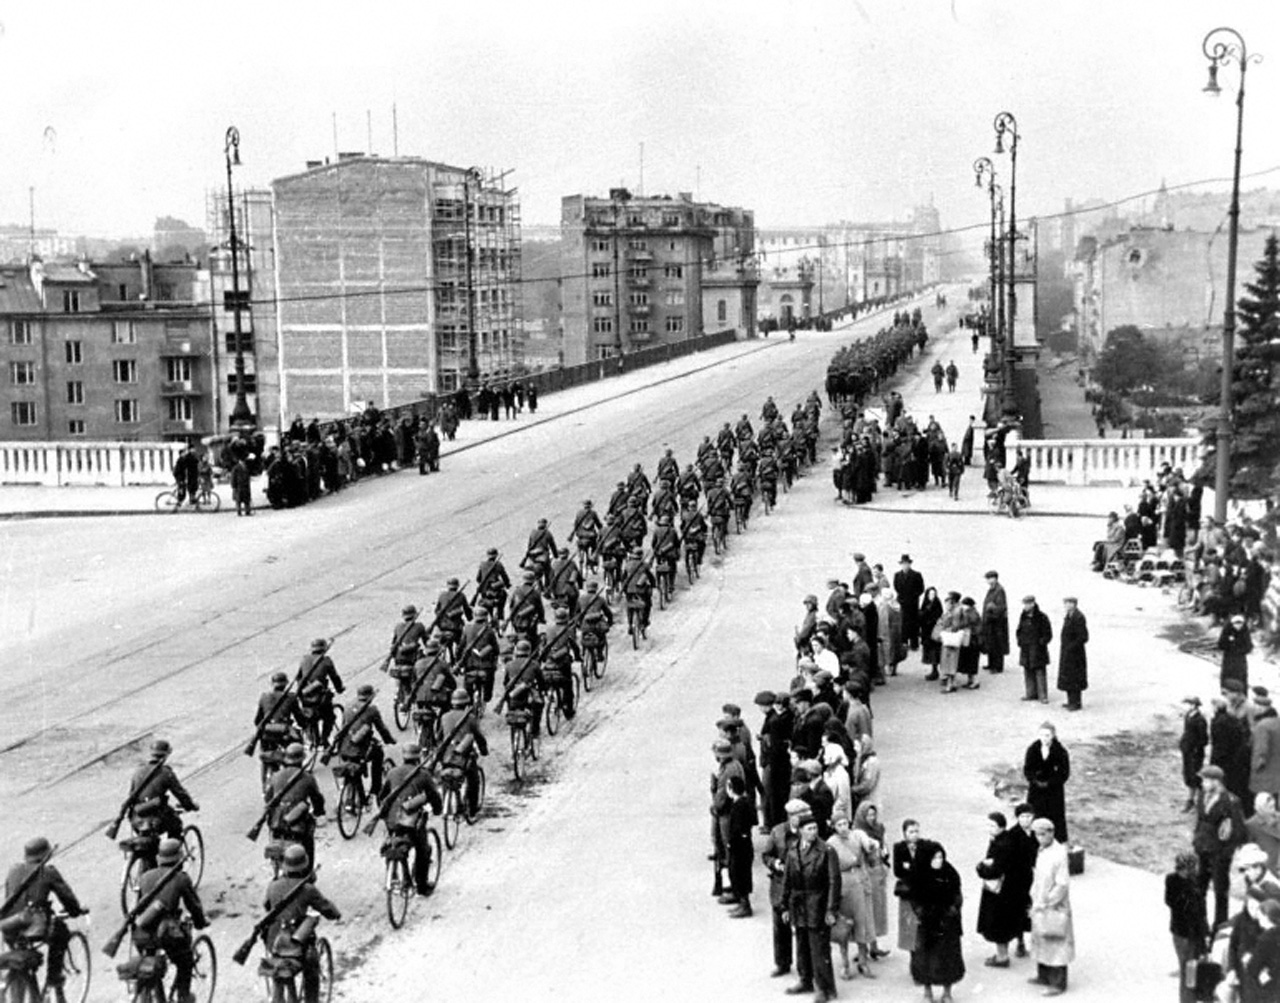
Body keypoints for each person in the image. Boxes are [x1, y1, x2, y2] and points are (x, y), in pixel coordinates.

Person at [1, 837, 84, 1002]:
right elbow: (68, 898)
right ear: (45, 854)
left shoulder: (13, 870)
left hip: (9, 925)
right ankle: (54, 979)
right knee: (60, 932)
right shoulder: (48, 872)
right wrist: (75, 911)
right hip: (34, 927)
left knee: (18, 953)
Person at [131, 836, 208, 1003]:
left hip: (142, 932)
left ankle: (156, 994)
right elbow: (194, 906)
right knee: (185, 962)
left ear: (159, 858)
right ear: (179, 858)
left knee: (149, 960)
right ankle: (183, 996)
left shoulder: (145, 877)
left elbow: (139, 906)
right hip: (167, 933)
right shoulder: (181, 878)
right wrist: (200, 922)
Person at [262, 845, 341, 1003]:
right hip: (296, 945)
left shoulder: (273, 885)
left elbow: (267, 906)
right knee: (311, 965)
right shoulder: (307, 889)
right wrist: (335, 915)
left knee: (275, 963)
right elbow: (327, 908)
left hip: (274, 942)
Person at [781, 812, 841, 1003]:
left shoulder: (826, 851)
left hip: (818, 904)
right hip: (799, 905)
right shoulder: (792, 850)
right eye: (809, 829)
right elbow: (787, 881)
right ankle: (805, 979)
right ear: (800, 831)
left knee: (819, 948)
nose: (813, 832)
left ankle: (824, 987)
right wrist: (784, 906)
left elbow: (834, 881)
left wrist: (831, 910)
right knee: (801, 944)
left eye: (815, 828)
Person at [378, 742, 443, 896]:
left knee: (392, 841)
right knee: (423, 849)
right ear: (418, 757)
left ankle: (393, 875)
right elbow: (434, 795)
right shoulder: (423, 775)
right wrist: (438, 810)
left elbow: (382, 796)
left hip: (392, 819)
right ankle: (422, 886)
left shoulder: (392, 773)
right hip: (410, 821)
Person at [910, 844, 965, 1003]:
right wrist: (923, 913)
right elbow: (914, 900)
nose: (938, 861)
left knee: (948, 957)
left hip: (947, 922)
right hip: (927, 924)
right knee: (926, 958)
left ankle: (947, 992)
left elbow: (957, 894)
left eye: (941, 857)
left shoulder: (950, 873)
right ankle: (927, 990)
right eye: (934, 858)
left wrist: (953, 909)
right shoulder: (919, 876)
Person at [1193, 764, 1246, 929]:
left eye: (1205, 780)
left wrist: (1225, 854)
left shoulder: (1231, 801)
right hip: (1203, 849)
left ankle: (1219, 926)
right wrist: (1197, 840)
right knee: (1199, 888)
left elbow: (1237, 832)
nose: (1202, 784)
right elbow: (1200, 820)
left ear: (1215, 781)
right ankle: (1200, 923)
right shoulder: (1202, 795)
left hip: (1219, 853)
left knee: (1220, 892)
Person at [124, 739, 200, 854]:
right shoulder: (165, 773)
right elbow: (180, 794)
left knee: (149, 842)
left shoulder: (138, 771)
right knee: (176, 824)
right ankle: (171, 857)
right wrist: (190, 806)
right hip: (156, 820)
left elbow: (131, 795)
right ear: (166, 755)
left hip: (137, 819)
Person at [1028, 817, 1074, 996]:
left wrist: (1047, 902)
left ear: (1051, 833)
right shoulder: (1043, 850)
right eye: (1036, 834)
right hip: (1040, 902)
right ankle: (1043, 975)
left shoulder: (1059, 853)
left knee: (1056, 941)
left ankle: (1058, 983)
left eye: (1042, 834)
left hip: (1053, 906)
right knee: (1041, 937)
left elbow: (1062, 884)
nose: (1039, 838)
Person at [829, 811, 878, 979]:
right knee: (844, 925)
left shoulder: (857, 835)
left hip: (860, 880)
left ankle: (863, 961)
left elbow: (869, 846)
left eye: (845, 823)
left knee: (862, 923)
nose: (843, 827)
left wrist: (872, 846)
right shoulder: (831, 843)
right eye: (839, 825)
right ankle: (844, 963)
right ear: (834, 827)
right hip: (842, 884)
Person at [264, 743, 325, 868]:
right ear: (301, 760)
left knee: (273, 836)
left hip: (276, 821)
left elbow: (267, 799)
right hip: (297, 823)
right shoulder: (307, 777)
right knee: (308, 841)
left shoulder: (276, 776)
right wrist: (319, 812)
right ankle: (307, 871)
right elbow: (317, 798)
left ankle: (276, 866)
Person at [976, 811, 1022, 967]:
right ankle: (1003, 954)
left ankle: (1002, 957)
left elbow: (995, 869)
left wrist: (981, 868)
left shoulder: (1001, 845)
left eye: (993, 825)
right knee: (1004, 922)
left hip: (998, 891)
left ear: (1001, 827)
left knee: (997, 923)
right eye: (988, 825)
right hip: (1009, 888)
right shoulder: (1006, 839)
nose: (989, 828)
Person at [336, 684, 396, 796]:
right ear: (370, 696)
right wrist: (389, 740)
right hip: (359, 749)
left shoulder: (348, 705)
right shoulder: (372, 710)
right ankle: (375, 789)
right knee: (378, 754)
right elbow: (381, 728)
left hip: (343, 747)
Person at [894, 819, 937, 955]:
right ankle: (912, 957)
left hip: (923, 890)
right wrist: (912, 868)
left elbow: (930, 867)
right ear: (905, 833)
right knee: (909, 926)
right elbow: (897, 871)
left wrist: (910, 867)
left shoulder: (926, 846)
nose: (914, 834)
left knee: (924, 924)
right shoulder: (899, 848)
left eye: (916, 831)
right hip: (908, 892)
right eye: (911, 832)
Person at [1164, 851, 1208, 985]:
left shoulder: (1195, 881)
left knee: (1195, 960)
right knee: (1186, 962)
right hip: (1181, 929)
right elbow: (1170, 901)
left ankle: (1190, 984)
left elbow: (1201, 905)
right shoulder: (1172, 880)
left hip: (1196, 927)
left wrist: (1205, 926)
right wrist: (1187, 896)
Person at [854, 802, 890, 960]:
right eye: (868, 815)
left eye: (873, 814)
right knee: (864, 912)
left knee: (876, 910)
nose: (872, 818)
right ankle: (862, 948)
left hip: (877, 871)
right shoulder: (857, 833)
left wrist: (885, 853)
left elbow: (884, 846)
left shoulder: (880, 828)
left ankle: (874, 946)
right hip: (865, 873)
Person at [1024, 723, 1070, 843]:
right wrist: (1035, 781)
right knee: (1035, 814)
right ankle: (1034, 841)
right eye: (1042, 735)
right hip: (1036, 791)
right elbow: (1027, 769)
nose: (1044, 738)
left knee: (1055, 817)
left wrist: (1050, 783)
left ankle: (1056, 842)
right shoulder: (1033, 749)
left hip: (1053, 792)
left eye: (1047, 735)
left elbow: (1064, 773)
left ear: (1053, 736)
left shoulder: (1060, 751)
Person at [296, 639, 344, 747]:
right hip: (320, 697)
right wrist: (339, 688)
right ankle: (324, 739)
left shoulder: (304, 659)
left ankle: (314, 739)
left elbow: (298, 677)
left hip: (305, 695)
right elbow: (334, 677)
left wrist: (304, 690)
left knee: (310, 717)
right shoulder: (326, 660)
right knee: (329, 717)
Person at [725, 775, 757, 918]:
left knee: (739, 873)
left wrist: (731, 842)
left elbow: (737, 829)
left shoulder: (739, 806)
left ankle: (745, 904)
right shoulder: (746, 802)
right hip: (745, 845)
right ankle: (740, 899)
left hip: (739, 846)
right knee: (739, 872)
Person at [1017, 595, 1054, 704]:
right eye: (1024, 604)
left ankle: (1043, 696)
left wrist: (1042, 642)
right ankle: (1030, 693)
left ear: (1033, 604)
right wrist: (1020, 641)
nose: (1025, 606)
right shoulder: (1023, 616)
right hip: (1026, 648)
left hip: (1038, 649)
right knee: (1028, 671)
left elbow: (1048, 634)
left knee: (1039, 672)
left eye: (1027, 604)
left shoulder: (1042, 617)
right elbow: (1019, 630)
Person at [1057, 598, 1089, 712]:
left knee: (1075, 678)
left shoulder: (1079, 617)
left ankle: (1076, 703)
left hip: (1076, 654)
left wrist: (1071, 647)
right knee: (1068, 678)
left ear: (1074, 604)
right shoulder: (1069, 616)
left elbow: (1083, 637)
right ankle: (1071, 701)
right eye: (1065, 603)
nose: (1067, 605)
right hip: (1068, 652)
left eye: (1069, 603)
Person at [1180, 696, 1209, 813]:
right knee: (1188, 773)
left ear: (1195, 705)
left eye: (1190, 704)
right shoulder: (1188, 715)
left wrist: (1197, 748)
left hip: (1195, 751)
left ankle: (1195, 800)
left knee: (1195, 775)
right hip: (1187, 749)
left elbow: (1203, 738)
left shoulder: (1200, 719)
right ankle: (1192, 799)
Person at [893, 555, 925, 651]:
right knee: (903, 623)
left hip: (913, 604)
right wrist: (902, 597)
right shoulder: (897, 575)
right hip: (902, 602)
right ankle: (904, 642)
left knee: (913, 624)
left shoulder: (916, 575)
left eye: (906, 563)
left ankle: (914, 644)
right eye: (903, 564)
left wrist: (913, 597)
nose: (905, 566)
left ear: (910, 564)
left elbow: (921, 588)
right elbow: (896, 587)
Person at [981, 570, 1010, 674]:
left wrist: (992, 609)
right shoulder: (992, 590)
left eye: (989, 578)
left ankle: (997, 666)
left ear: (995, 578)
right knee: (990, 643)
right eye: (987, 579)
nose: (988, 581)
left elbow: (1001, 607)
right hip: (990, 622)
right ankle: (991, 663)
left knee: (997, 644)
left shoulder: (999, 590)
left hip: (997, 623)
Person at [1219, 613, 1254, 691]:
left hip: (1240, 660)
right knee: (1228, 677)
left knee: (1241, 678)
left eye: (1240, 623)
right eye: (1236, 624)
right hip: (1228, 659)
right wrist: (1230, 646)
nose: (1238, 626)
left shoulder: (1245, 631)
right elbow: (1221, 644)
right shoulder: (1227, 630)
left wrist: (1239, 650)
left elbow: (1249, 646)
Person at [919, 587, 943, 681]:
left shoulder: (937, 604)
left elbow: (938, 615)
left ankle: (935, 670)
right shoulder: (925, 603)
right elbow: (921, 615)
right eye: (930, 594)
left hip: (934, 631)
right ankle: (934, 670)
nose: (932, 596)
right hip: (926, 632)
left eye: (933, 594)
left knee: (935, 651)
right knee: (929, 651)